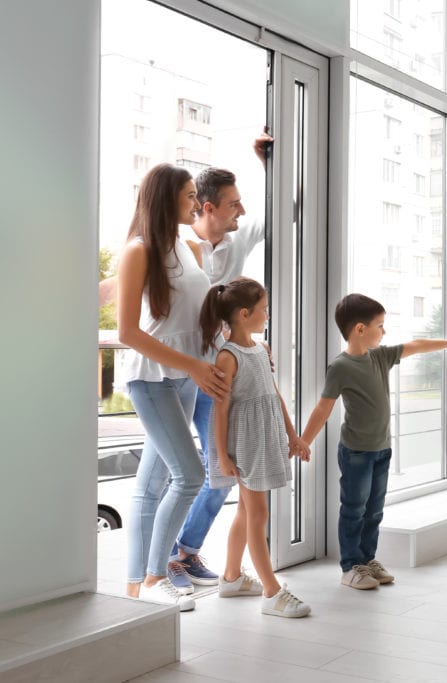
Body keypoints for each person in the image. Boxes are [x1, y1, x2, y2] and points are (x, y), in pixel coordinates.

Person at [299, 293, 447, 589]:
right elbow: (323, 408)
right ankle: (350, 567)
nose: (384, 331)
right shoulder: (340, 367)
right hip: (356, 452)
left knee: (374, 511)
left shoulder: (380, 356)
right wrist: (304, 441)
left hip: (382, 449)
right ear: (360, 329)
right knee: (353, 509)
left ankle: (368, 560)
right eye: (380, 325)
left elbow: (415, 346)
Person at [117, 163, 228, 611]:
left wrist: (239, 347)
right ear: (166, 198)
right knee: (190, 475)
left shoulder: (189, 248)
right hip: (151, 377)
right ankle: (155, 575)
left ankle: (135, 586)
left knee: (154, 481)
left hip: (185, 376)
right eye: (188, 195)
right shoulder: (138, 251)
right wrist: (194, 367)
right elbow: (128, 332)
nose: (195, 203)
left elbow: (200, 319)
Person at [168, 129, 274, 590]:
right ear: (207, 207)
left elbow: (283, 210)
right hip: (177, 374)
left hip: (219, 374)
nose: (241, 212)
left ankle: (184, 553)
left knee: (221, 472)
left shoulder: (238, 239)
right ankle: (161, 563)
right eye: (233, 204)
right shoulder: (176, 248)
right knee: (177, 473)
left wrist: (267, 162)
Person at [199, 276, 312, 618]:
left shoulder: (261, 349)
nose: (268, 314)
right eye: (264, 309)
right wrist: (221, 455)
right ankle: (271, 591)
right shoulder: (227, 357)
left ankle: (232, 578)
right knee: (259, 514)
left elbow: (274, 395)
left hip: (266, 436)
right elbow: (220, 410)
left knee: (246, 512)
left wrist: (293, 435)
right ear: (244, 314)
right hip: (245, 443)